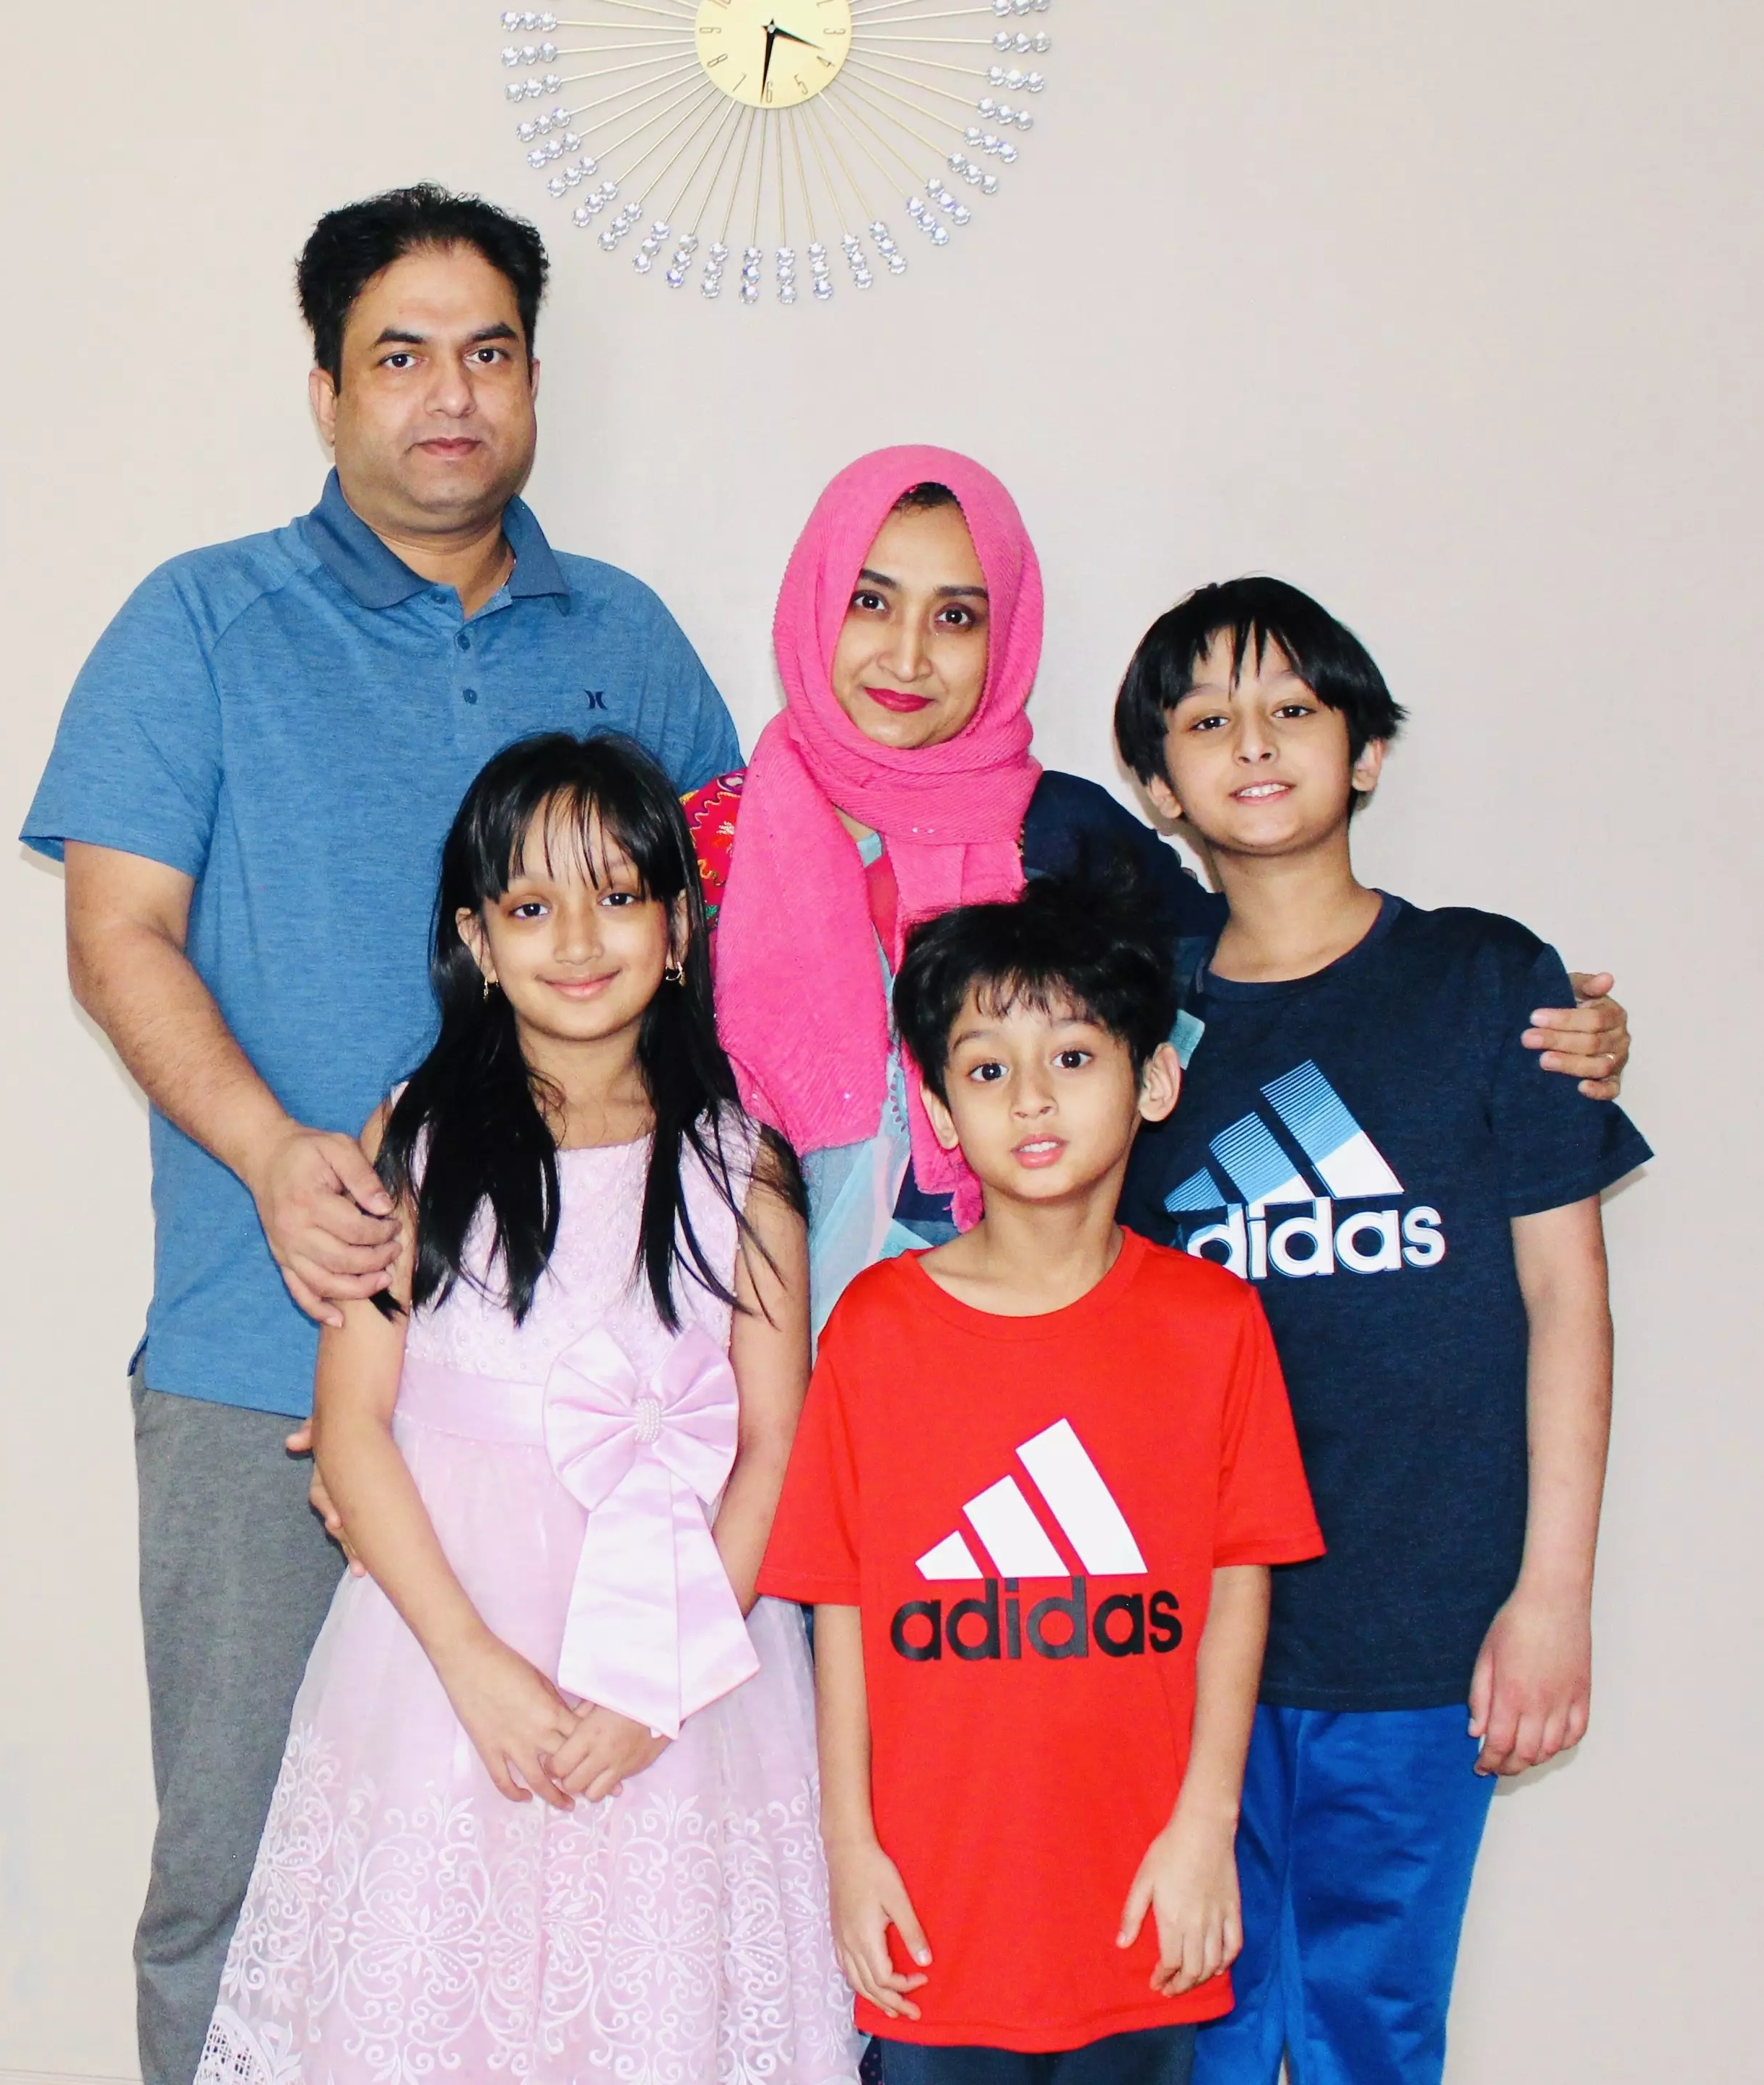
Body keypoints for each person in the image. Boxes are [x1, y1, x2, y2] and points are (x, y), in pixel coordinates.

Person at [19, 185, 739, 2081]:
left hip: (585, 1411)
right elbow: (116, 933)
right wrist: (275, 1156)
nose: (452, 394)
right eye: (400, 356)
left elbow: (747, 956)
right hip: (266, 1350)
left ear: (534, 381)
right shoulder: (198, 623)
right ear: (327, 389)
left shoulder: (633, 639)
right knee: (248, 1874)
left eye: (489, 352)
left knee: (573, 1892)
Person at [196, 734, 859, 2085]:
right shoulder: (415, 1142)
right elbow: (356, 1428)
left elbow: (775, 1447)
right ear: (477, 942)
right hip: (444, 1655)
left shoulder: (745, 1168)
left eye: (618, 896)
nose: (579, 939)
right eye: (532, 904)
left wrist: (660, 1688)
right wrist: (474, 1668)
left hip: (685, 1677)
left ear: (679, 929)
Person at [688, 448, 1630, 1339]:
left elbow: (1263, 984)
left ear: (1006, 637)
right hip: (728, 1342)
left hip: (1029, 1351)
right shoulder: (704, 848)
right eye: (870, 601)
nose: (907, 656)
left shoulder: (1062, 833)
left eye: (957, 617)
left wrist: (1517, 1027)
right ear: (816, 603)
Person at [1111, 579, 1654, 2085]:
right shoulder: (1132, 1023)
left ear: (1366, 751)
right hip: (1187, 1640)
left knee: (1375, 2030)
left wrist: (1553, 1593)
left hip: (1425, 1629)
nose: (1254, 742)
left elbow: (1567, 1297)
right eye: (1207, 720)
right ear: (1157, 787)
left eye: (1294, 707)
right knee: (1194, 2037)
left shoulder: (1487, 983)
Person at [760, 871, 1326, 2082]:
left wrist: (1205, 1828)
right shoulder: (875, 1329)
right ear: (937, 1108)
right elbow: (838, 1605)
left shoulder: (1213, 1325)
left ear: (1153, 1079)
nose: (1030, 1097)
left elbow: (1240, 1583)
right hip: (933, 1915)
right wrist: (850, 1850)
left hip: (1140, 1901)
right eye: (986, 1068)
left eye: (1072, 1057)